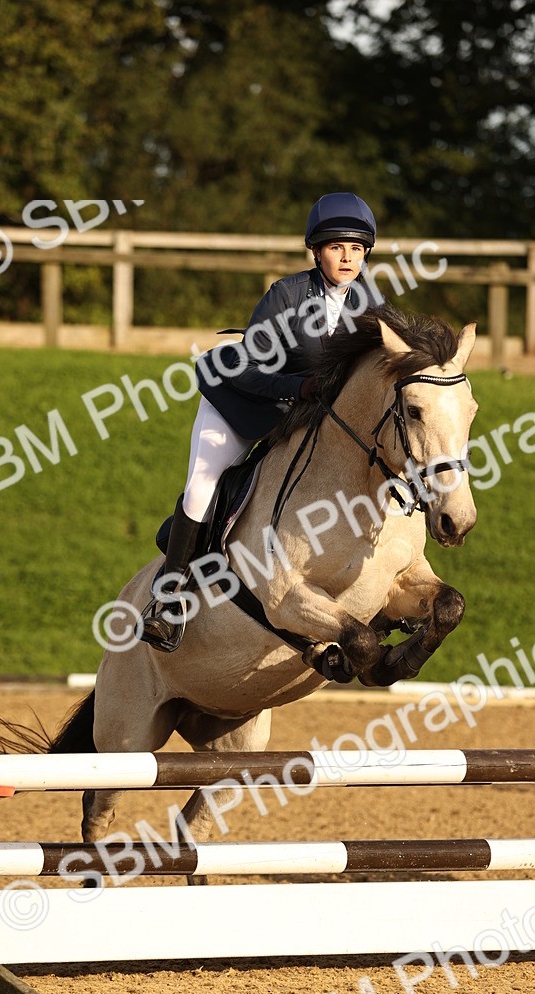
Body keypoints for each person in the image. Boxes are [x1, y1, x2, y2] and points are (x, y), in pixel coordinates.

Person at [140, 192, 379, 651]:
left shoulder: (369, 301)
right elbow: (246, 369)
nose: (348, 257)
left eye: (356, 248)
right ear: (316, 251)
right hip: (241, 401)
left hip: (304, 413)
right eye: (336, 247)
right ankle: (168, 600)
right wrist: (297, 388)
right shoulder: (286, 294)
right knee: (203, 483)